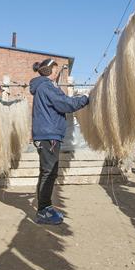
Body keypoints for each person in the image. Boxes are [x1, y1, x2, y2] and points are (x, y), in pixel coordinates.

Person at [28, 58, 89, 225]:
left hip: (47, 135)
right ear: (50, 72)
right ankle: (43, 211)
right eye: (55, 71)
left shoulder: (44, 86)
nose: (57, 74)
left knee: (48, 172)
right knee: (49, 173)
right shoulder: (47, 87)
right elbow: (65, 104)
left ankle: (45, 208)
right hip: (48, 136)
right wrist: (85, 99)